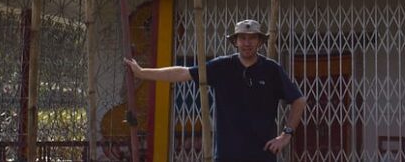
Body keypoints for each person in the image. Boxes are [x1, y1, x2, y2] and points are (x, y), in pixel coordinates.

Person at [125, 19, 306, 161]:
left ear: (259, 41)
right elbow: (183, 73)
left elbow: (299, 100)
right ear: (235, 41)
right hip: (227, 155)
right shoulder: (222, 66)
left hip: (263, 155)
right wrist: (142, 73)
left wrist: (286, 135)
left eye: (252, 38)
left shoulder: (271, 69)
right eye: (242, 38)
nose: (247, 42)